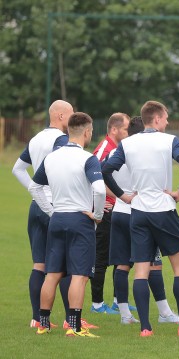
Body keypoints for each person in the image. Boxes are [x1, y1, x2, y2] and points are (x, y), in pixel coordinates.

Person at [102, 100, 179, 337]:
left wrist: (124, 196)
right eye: (165, 118)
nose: (167, 122)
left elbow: (105, 170)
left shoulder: (127, 143)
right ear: (156, 119)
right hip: (164, 211)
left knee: (141, 270)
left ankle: (145, 328)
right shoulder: (169, 141)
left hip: (139, 212)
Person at [12, 100, 97, 330]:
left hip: (36, 206)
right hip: (59, 206)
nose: (72, 120)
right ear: (61, 116)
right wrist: (50, 202)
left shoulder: (36, 138)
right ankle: (72, 320)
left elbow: (17, 169)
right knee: (69, 268)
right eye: (70, 115)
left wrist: (36, 194)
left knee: (41, 265)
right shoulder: (63, 141)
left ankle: (38, 318)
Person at [29, 112, 106, 337]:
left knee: (52, 273)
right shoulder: (87, 158)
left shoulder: (52, 157)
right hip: (80, 220)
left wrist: (51, 210)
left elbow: (34, 187)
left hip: (58, 218)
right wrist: (98, 214)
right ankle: (74, 326)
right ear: (86, 132)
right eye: (91, 131)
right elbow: (100, 189)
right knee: (79, 275)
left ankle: (42, 323)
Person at [107, 116, 179, 325]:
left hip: (119, 211)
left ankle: (124, 314)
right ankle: (164, 312)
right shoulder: (140, 151)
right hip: (140, 211)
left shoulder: (115, 152)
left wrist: (121, 196)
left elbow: (104, 176)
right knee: (153, 265)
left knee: (122, 265)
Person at [90, 112, 133, 315]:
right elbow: (93, 179)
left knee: (121, 256)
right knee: (102, 257)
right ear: (114, 130)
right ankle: (97, 304)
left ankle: (118, 301)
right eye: (126, 129)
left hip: (118, 210)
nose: (129, 132)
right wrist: (116, 198)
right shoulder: (104, 150)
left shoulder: (120, 148)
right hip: (106, 210)